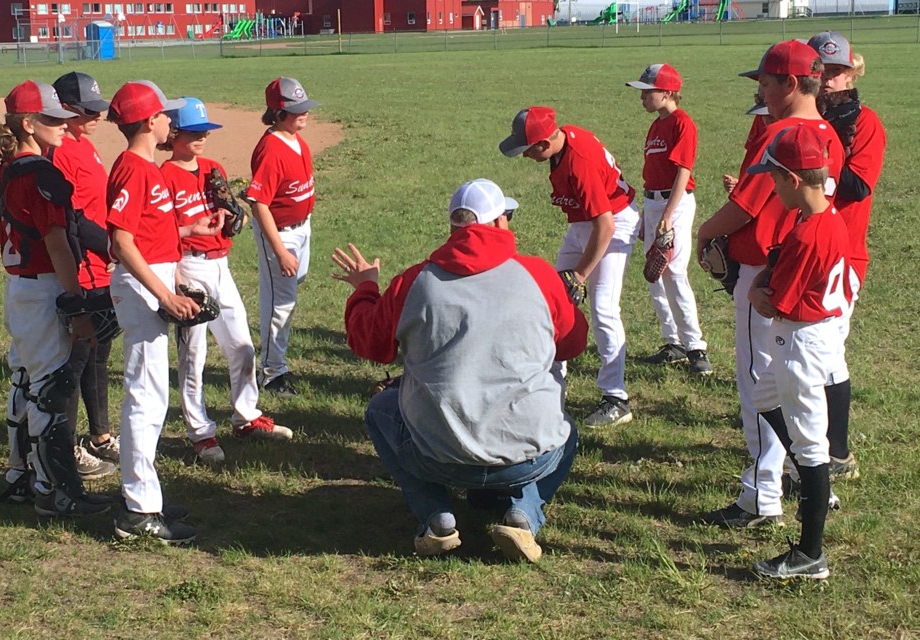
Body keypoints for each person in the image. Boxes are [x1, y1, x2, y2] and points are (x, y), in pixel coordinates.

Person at [332, 179, 587, 563]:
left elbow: (368, 342)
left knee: (381, 408)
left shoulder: (414, 281)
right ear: (501, 223)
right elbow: (573, 342)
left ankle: (436, 517)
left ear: (454, 228)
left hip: (436, 454)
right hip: (527, 455)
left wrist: (366, 288)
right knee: (566, 431)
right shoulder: (538, 275)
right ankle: (524, 514)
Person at [696, 40, 844, 529]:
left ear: (793, 83)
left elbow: (746, 206)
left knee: (759, 387)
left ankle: (762, 495)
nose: (760, 89)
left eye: (766, 81)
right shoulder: (829, 134)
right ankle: (801, 474)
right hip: (804, 273)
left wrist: (706, 232)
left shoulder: (783, 133)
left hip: (766, 276)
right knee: (790, 386)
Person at [0, 80, 112, 517]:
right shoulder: (41, 173)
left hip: (20, 287)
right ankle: (55, 490)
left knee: (25, 380)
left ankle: (20, 475)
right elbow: (57, 243)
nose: (63, 124)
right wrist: (76, 304)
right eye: (53, 119)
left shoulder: (6, 169)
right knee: (50, 391)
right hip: (43, 287)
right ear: (28, 124)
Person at [106, 81, 221, 544]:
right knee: (146, 395)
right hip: (139, 287)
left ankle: (145, 494)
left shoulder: (145, 166)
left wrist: (191, 227)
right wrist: (164, 294)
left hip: (153, 277)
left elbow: (149, 231)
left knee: (153, 395)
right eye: (163, 115)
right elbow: (122, 242)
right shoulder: (132, 169)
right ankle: (138, 510)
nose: (171, 122)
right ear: (148, 122)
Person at [158, 97, 293, 466]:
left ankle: (245, 416)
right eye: (192, 132)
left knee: (243, 347)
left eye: (204, 131)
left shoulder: (212, 169)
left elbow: (237, 219)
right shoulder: (163, 177)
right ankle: (200, 433)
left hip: (221, 265)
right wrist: (175, 276)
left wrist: (236, 218)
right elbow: (159, 231)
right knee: (194, 355)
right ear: (173, 135)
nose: (201, 137)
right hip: (188, 266)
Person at [746, 124, 851, 579]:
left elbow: (773, 301)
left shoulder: (809, 235)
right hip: (813, 334)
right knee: (763, 398)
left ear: (792, 178)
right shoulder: (825, 215)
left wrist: (753, 290)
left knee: (810, 446)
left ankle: (810, 554)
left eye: (773, 177)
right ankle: (816, 488)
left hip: (800, 341)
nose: (769, 184)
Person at [499, 106, 640, 427]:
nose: (524, 156)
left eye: (526, 149)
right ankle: (550, 387)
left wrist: (580, 275)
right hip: (586, 223)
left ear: (543, 144)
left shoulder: (580, 165)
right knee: (555, 299)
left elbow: (604, 226)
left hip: (613, 225)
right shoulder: (563, 142)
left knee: (603, 307)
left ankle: (616, 398)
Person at [807, 31, 887, 483]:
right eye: (822, 71)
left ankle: (838, 453)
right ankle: (809, 435)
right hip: (801, 247)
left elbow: (856, 186)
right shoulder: (805, 116)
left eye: (837, 71)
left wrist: (823, 145)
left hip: (843, 253)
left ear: (850, 72)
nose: (831, 80)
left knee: (829, 353)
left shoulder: (865, 123)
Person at [49, 71, 118, 480]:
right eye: (86, 110)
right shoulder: (61, 154)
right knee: (75, 362)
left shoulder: (84, 145)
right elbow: (70, 220)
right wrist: (103, 249)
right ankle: (69, 446)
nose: (96, 116)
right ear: (65, 111)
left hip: (101, 266)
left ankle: (100, 435)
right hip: (82, 268)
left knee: (99, 356)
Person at [625, 63, 711, 375]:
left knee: (673, 271)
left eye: (648, 92)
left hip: (674, 203)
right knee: (655, 273)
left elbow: (683, 173)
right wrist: (650, 214)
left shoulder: (682, 124)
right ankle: (672, 341)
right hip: (653, 202)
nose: (643, 97)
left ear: (668, 92)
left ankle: (695, 346)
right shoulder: (656, 125)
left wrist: (667, 215)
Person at [246, 77, 319, 398]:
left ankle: (275, 361)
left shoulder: (294, 138)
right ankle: (273, 372)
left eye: (304, 107)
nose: (303, 114)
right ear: (277, 113)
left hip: (301, 227)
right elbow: (258, 202)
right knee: (280, 304)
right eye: (295, 110)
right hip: (281, 233)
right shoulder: (271, 149)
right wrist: (279, 250)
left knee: (290, 293)